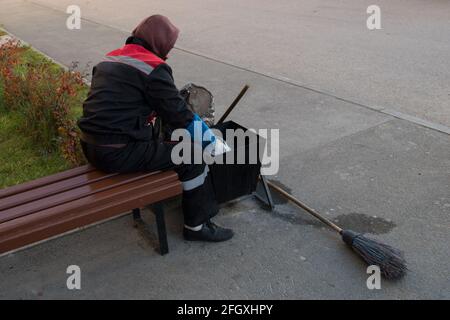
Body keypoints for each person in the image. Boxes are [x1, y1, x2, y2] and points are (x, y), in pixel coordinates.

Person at [77, 15, 233, 242]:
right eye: (169, 46)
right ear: (159, 44)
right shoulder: (153, 69)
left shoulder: (110, 59)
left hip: (90, 146)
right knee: (192, 156)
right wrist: (212, 142)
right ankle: (196, 226)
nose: (168, 52)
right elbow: (180, 115)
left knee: (170, 145)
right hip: (117, 153)